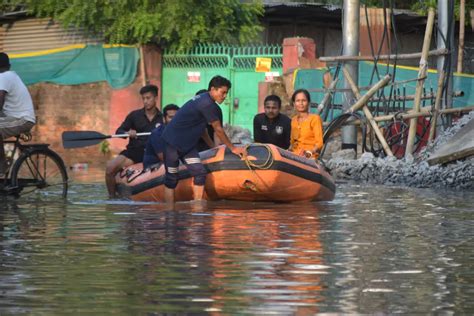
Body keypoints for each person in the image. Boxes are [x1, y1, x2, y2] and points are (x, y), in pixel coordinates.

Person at [161, 75, 246, 203]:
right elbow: (218, 129)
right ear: (213, 89)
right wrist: (233, 148)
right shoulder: (206, 104)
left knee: (200, 173)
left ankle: (197, 209)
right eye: (222, 92)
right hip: (173, 143)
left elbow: (203, 131)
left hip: (188, 147)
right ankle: (169, 213)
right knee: (172, 178)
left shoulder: (210, 104)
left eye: (226, 93)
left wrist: (213, 147)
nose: (224, 96)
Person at [105, 84, 163, 198]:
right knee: (110, 168)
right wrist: (127, 133)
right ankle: (112, 197)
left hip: (154, 153)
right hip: (134, 152)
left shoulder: (162, 118)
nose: (145, 101)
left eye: (148, 98)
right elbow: (119, 131)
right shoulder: (135, 115)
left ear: (156, 98)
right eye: (143, 98)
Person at [0, 52, 36, 177]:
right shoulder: (10, 76)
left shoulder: (4, 77)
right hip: (15, 118)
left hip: (22, 119)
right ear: (9, 65)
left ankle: (2, 167)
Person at [142, 103, 179, 169]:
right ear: (164, 119)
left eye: (176, 117)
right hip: (153, 167)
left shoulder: (181, 131)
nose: (174, 120)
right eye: (171, 117)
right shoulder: (157, 134)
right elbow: (163, 157)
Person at [290, 89, 324, 159]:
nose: (301, 103)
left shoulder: (315, 119)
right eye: (298, 101)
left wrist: (309, 153)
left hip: (310, 157)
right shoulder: (293, 120)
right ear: (294, 103)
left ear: (308, 102)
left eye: (304, 100)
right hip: (295, 156)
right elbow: (293, 143)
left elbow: (319, 144)